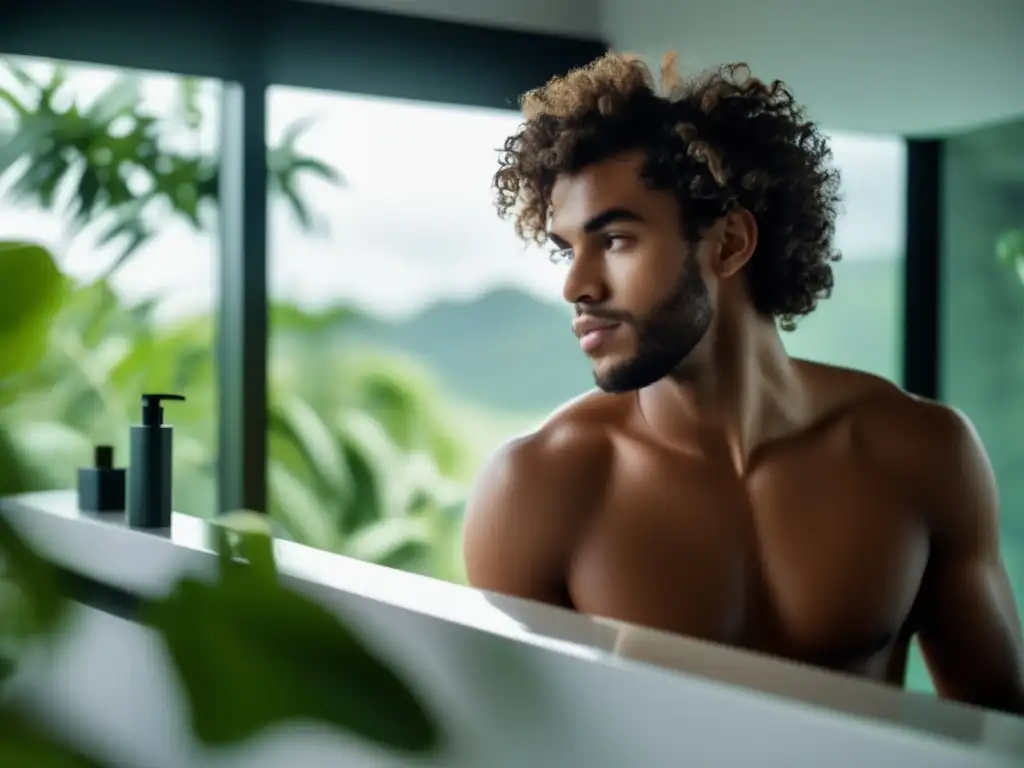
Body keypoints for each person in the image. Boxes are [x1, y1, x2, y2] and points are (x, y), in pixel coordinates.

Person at [461, 50, 1024, 714]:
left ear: (728, 243)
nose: (575, 285)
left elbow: (1001, 730)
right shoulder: (537, 488)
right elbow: (512, 744)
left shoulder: (921, 452)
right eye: (567, 248)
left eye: (614, 240)